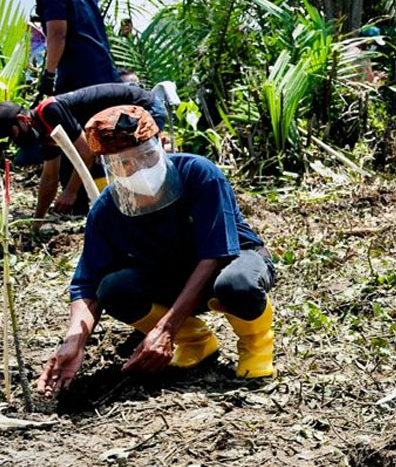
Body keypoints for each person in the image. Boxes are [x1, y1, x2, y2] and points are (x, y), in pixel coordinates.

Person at [37, 105, 276, 396]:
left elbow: (215, 254)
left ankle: (255, 346)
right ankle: (196, 343)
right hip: (171, 274)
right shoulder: (107, 211)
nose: (138, 169)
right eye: (124, 163)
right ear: (109, 166)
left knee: (237, 285)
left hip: (229, 261)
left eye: (146, 156)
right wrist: (74, 340)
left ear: (161, 144)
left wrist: (165, 329)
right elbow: (87, 284)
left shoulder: (200, 175)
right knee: (113, 289)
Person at [0, 82, 165, 220]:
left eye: (13, 134)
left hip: (144, 109)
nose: (15, 141)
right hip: (124, 122)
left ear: (22, 119)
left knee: (140, 170)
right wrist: (37, 220)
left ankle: (156, 214)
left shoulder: (49, 111)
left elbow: (86, 153)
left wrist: (70, 192)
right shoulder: (45, 132)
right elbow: (49, 178)